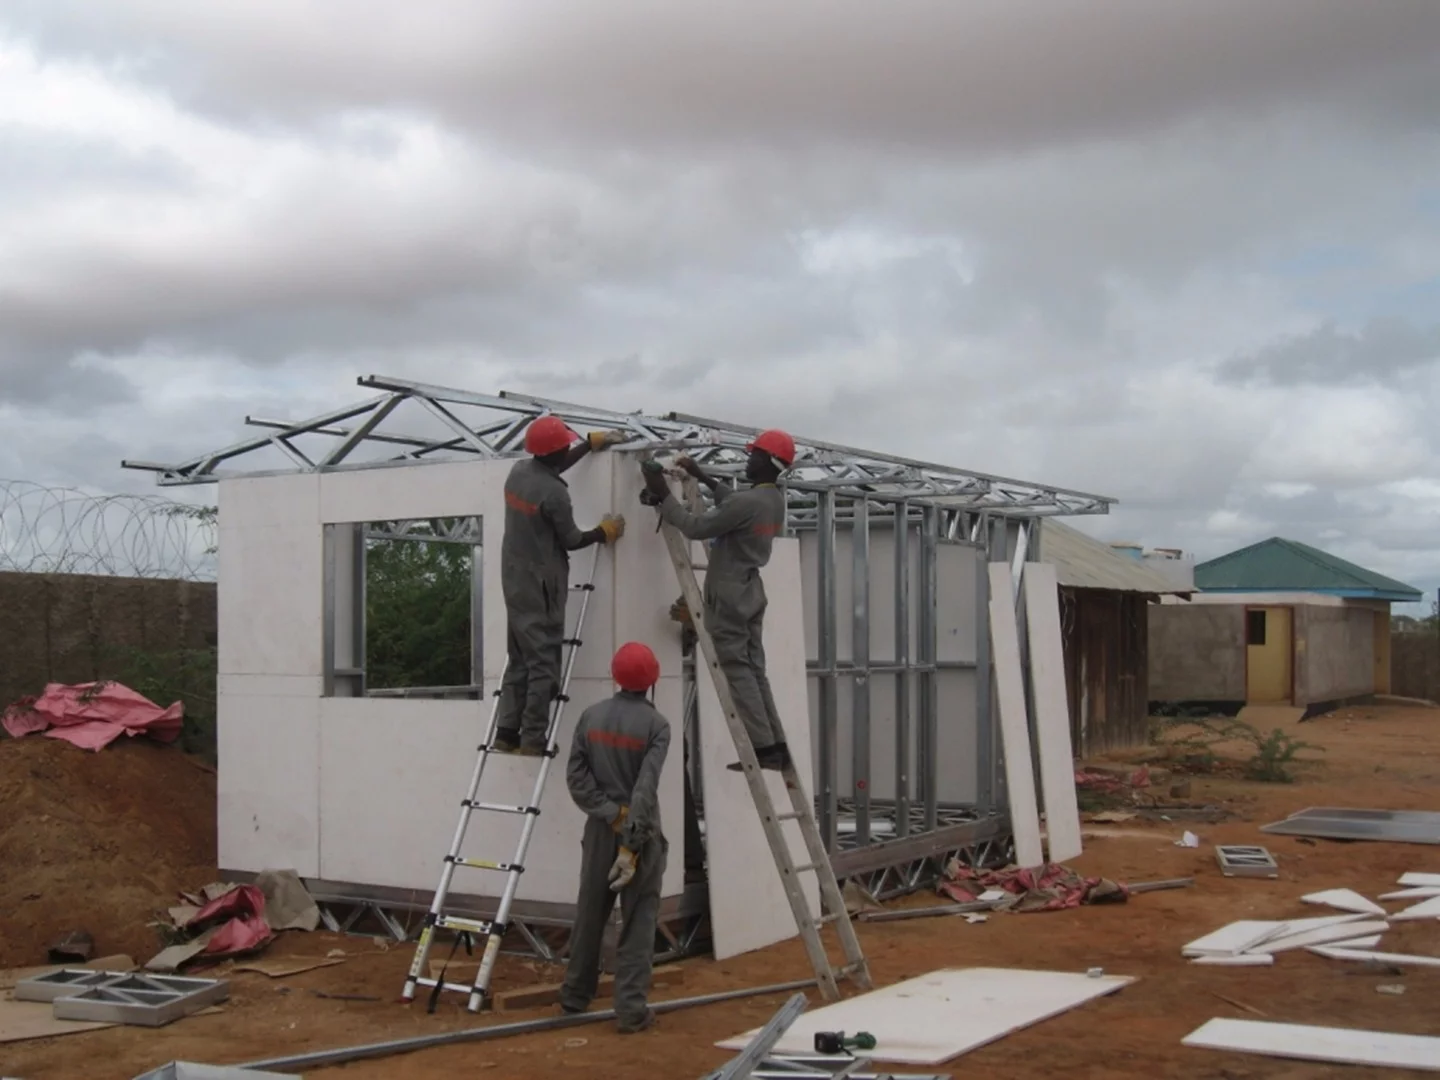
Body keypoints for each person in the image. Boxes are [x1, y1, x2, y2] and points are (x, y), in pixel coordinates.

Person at [640, 429, 795, 772]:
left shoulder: (748, 503)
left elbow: (694, 527)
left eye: (754, 455)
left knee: (738, 671)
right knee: (755, 670)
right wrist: (702, 476)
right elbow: (734, 504)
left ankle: (764, 747)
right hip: (750, 590)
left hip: (728, 595)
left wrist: (663, 493)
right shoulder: (772, 500)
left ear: (769, 462)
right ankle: (776, 744)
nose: (748, 459)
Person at [493, 416, 629, 755]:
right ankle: (533, 739)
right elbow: (570, 539)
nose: (569, 446)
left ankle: (507, 732)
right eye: (566, 444)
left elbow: (550, 468)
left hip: (514, 579)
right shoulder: (554, 494)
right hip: (542, 585)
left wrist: (587, 445)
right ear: (555, 451)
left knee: (520, 657)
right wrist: (603, 532)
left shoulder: (519, 472)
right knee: (544, 664)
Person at [559, 642, 670, 1034]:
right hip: (637, 835)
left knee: (590, 912)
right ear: (653, 679)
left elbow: (576, 778)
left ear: (614, 676)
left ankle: (574, 996)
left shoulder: (591, 717)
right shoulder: (657, 727)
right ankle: (630, 1011)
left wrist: (608, 814)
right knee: (638, 920)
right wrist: (631, 836)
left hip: (600, 831)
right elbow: (645, 787)